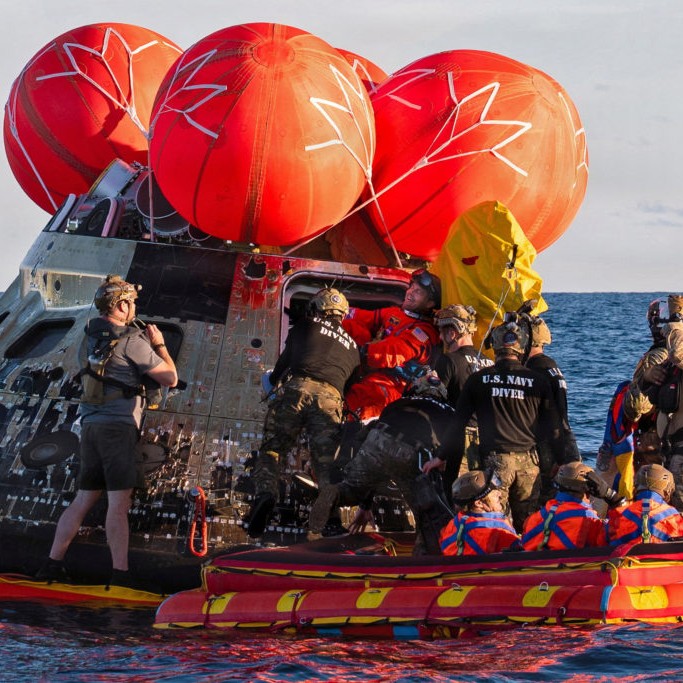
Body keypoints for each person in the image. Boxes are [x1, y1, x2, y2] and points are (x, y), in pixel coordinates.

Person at [37, 275, 178, 586]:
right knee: (118, 505)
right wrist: (160, 344)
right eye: (132, 304)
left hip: (89, 427)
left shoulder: (87, 337)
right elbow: (170, 378)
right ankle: (120, 575)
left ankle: (51, 564)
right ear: (122, 305)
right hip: (118, 429)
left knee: (83, 498)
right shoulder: (132, 341)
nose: (134, 309)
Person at [423, 317, 576, 532]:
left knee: (496, 520)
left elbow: (458, 422)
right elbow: (554, 426)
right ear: (521, 347)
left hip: (495, 463)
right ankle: (529, 560)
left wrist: (441, 456)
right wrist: (565, 460)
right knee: (529, 523)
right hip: (529, 465)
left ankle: (496, 557)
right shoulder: (538, 381)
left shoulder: (478, 380)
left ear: (495, 348)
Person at [245, 288, 360, 538]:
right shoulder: (353, 347)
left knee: (273, 449)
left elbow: (285, 360)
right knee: (326, 465)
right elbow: (348, 386)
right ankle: (330, 521)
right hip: (331, 399)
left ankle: (265, 495)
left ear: (318, 307)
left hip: (297, 388)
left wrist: (274, 382)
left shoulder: (306, 325)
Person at [308, 372, 457, 555]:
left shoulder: (398, 403)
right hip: (412, 452)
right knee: (429, 519)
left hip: (376, 439)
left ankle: (337, 492)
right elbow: (454, 449)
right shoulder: (449, 411)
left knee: (353, 487)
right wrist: (448, 495)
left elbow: (377, 466)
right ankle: (426, 561)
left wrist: (365, 505)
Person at [342, 269, 441, 422]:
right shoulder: (396, 313)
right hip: (371, 372)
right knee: (351, 327)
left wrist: (359, 352)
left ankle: (330, 429)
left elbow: (394, 351)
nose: (410, 293)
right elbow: (364, 317)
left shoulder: (425, 332)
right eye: (412, 287)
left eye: (418, 292)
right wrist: (337, 309)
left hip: (394, 387)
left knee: (360, 395)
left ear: (430, 303)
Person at [433, 304, 493, 479]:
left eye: (442, 331)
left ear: (452, 332)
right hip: (489, 441)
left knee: (457, 494)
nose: (440, 336)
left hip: (458, 442)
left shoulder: (448, 361)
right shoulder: (490, 363)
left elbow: (435, 401)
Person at [525, 317, 581, 503]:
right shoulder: (551, 366)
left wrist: (558, 456)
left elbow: (549, 415)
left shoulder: (534, 370)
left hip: (551, 443)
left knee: (547, 498)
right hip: (566, 437)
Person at [521, 462, 616, 551]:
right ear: (589, 492)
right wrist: (613, 497)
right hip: (571, 566)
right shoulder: (589, 520)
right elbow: (620, 537)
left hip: (532, 564)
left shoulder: (534, 518)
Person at [439, 469, 520, 555]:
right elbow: (521, 553)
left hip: (455, 566)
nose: (500, 494)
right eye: (494, 494)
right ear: (479, 503)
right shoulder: (498, 530)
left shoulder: (454, 523)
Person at [608, 464, 683, 545]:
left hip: (626, 556)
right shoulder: (675, 517)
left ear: (636, 485)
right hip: (663, 556)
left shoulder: (619, 514)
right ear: (668, 490)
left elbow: (598, 538)